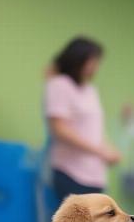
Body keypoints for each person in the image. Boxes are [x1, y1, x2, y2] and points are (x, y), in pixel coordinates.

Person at [45, 37, 121, 202]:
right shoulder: (59, 84)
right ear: (78, 59)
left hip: (94, 176)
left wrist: (109, 149)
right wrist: (99, 150)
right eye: (92, 62)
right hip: (71, 173)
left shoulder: (90, 90)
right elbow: (59, 129)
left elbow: (95, 130)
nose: (96, 67)